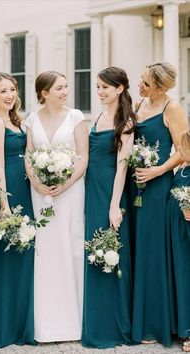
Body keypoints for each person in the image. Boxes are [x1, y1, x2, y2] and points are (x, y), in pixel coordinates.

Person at [24, 70, 88, 342]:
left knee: (70, 247)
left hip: (71, 191)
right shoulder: (31, 119)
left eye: (66, 87)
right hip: (40, 193)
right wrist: (37, 182)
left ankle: (75, 323)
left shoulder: (77, 117)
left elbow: (83, 156)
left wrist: (66, 183)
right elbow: (27, 154)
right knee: (45, 250)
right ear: (44, 93)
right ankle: (46, 324)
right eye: (59, 88)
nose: (65, 92)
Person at [131, 62, 188, 346]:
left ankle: (155, 324)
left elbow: (183, 150)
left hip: (157, 187)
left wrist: (158, 170)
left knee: (153, 252)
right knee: (138, 248)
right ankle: (136, 321)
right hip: (135, 185)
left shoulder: (172, 109)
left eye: (144, 82)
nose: (139, 85)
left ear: (161, 87)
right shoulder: (140, 103)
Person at [0, 72, 36, 348]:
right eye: (3, 91)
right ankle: (4, 327)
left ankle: (21, 324)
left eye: (12, 89)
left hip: (25, 189)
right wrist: (5, 205)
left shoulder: (17, 120)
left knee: (24, 256)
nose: (9, 95)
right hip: (9, 191)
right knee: (9, 257)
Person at [82, 67, 136, 348]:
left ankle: (113, 325)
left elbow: (122, 165)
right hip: (91, 188)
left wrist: (114, 205)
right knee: (93, 249)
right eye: (98, 86)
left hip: (109, 189)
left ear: (120, 88)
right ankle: (95, 319)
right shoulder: (100, 115)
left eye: (105, 87)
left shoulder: (125, 121)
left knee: (110, 250)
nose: (100, 91)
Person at [166, 130, 190, 352]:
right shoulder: (182, 167)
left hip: (186, 230)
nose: (178, 151)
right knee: (179, 275)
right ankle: (180, 326)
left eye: (182, 147)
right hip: (177, 232)